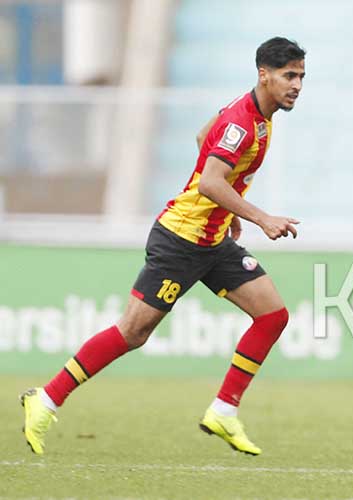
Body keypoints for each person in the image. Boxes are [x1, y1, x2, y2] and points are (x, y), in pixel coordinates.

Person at [20, 37, 307, 455]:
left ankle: (223, 411)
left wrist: (224, 215)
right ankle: (44, 399)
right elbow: (209, 180)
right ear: (264, 75)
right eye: (289, 76)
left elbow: (201, 137)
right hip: (180, 240)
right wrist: (259, 217)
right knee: (133, 332)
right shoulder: (242, 123)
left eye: (301, 76)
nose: (297, 84)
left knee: (272, 315)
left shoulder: (257, 115)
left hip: (212, 240)